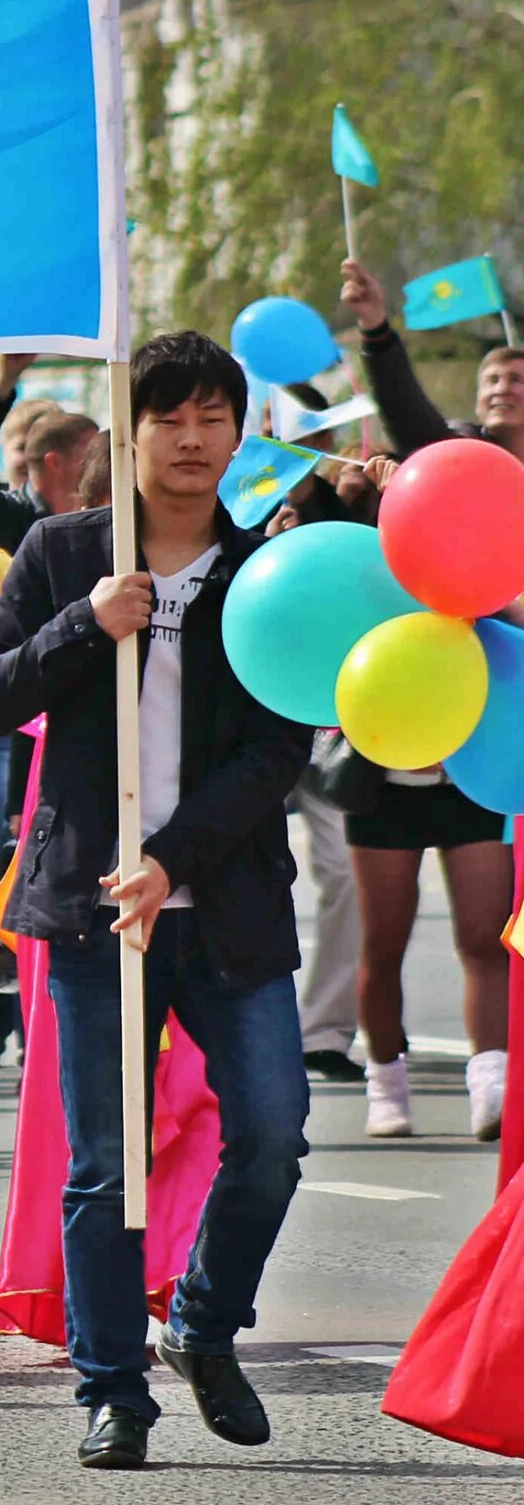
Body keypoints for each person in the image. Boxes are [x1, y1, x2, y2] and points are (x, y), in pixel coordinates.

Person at [0, 328, 313, 1470]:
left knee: (270, 1133)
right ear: (132, 430)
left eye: (216, 417)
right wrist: (89, 623)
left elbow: (275, 753)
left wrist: (172, 855)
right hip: (90, 907)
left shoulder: (263, 571)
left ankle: (205, 1323)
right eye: (172, 417)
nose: (195, 439)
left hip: (224, 901)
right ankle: (112, 1384)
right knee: (105, 1162)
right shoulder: (66, 552)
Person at [340, 258, 514, 1140]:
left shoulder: (504, 552)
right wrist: (376, 336)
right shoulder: (384, 546)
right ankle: (387, 1080)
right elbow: (407, 417)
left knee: (487, 937)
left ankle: (492, 1082)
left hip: (479, 763)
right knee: (384, 942)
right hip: (386, 765)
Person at [0, 353, 100, 554]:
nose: (33, 457)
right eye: (23, 447)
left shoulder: (97, 516)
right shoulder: (4, 515)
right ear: (2, 449)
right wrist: (1, 386)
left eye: (43, 444)